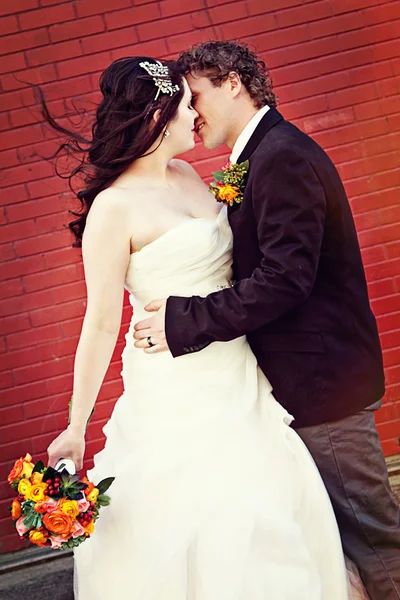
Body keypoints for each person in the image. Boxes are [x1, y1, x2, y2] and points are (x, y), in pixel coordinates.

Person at [44, 55, 353, 599]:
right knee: (197, 517)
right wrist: (76, 425)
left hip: (239, 370)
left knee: (266, 509)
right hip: (174, 387)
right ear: (158, 118)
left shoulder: (189, 175)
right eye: (186, 105)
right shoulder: (113, 210)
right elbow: (98, 324)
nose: (196, 115)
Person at [132, 41, 400, 600]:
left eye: (196, 94)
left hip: (323, 386)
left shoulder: (282, 156)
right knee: (339, 546)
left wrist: (185, 318)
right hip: (298, 385)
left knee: (376, 542)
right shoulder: (255, 157)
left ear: (233, 83)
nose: (192, 110)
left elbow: (285, 279)